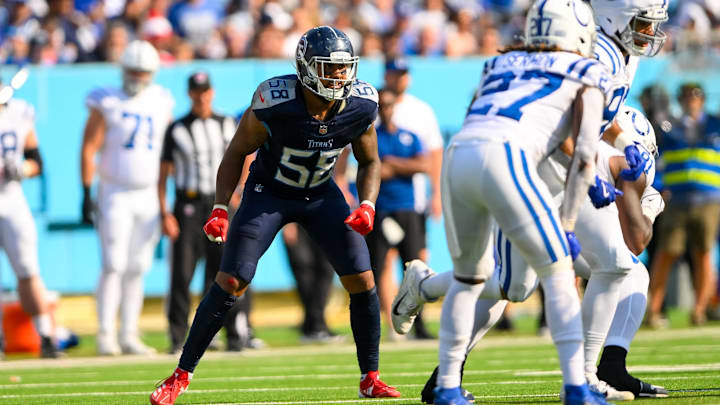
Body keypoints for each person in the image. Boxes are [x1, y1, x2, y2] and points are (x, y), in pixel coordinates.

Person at [149, 26, 400, 405]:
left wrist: (367, 204)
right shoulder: (276, 101)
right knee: (232, 279)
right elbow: (235, 152)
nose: (338, 76)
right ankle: (180, 374)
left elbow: (371, 162)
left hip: (320, 194)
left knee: (362, 278)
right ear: (305, 68)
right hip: (270, 193)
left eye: (343, 68)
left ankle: (370, 377)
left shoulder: (361, 104)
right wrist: (220, 207)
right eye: (328, 68)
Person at [412, 1, 614, 403]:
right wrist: (569, 223)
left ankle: (447, 387)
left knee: (469, 279)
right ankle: (576, 386)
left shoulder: (498, 64)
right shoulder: (587, 70)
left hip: (459, 155)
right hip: (506, 155)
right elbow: (587, 152)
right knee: (557, 270)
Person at [397, 106, 666, 403]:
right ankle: (426, 289)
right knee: (512, 286)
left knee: (624, 268)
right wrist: (649, 211)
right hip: (526, 195)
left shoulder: (587, 139)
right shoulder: (616, 158)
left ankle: (606, 368)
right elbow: (637, 241)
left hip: (521, 187)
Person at [81, 40, 174, 356]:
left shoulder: (161, 100)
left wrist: (165, 197)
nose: (137, 77)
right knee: (113, 263)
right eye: (132, 70)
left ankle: (128, 333)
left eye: (143, 72)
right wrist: (85, 190)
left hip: (148, 193)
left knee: (138, 266)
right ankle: (105, 332)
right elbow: (89, 147)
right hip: (114, 191)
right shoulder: (106, 99)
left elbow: (168, 152)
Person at [159, 71, 250, 354]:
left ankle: (234, 334)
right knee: (182, 273)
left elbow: (246, 153)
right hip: (188, 205)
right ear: (190, 94)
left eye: (205, 91)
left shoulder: (226, 123)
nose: (202, 96)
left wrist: (240, 190)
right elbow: (163, 173)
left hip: (220, 203)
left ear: (212, 92)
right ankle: (177, 338)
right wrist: (164, 212)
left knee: (227, 271)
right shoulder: (176, 128)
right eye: (196, 91)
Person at [648, 83, 720, 327]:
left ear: (702, 99)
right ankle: (652, 310)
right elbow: (657, 156)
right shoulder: (671, 127)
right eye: (686, 96)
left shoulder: (714, 124)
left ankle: (699, 309)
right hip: (677, 200)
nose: (690, 100)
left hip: (708, 200)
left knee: (703, 253)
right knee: (666, 252)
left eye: (695, 95)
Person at [382, 57, 443, 339]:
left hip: (412, 199)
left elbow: (432, 155)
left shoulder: (421, 111)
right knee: (384, 261)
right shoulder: (373, 107)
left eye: (404, 73)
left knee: (417, 260)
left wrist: (436, 194)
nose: (400, 78)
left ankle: (417, 321)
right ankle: (391, 325)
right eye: (396, 73)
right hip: (381, 202)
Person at [0, 84, 62, 359]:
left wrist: (23, 169)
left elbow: (36, 160)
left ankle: (46, 336)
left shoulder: (20, 112)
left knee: (28, 270)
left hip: (12, 198)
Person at [366, 87, 428, 339]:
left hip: (408, 209)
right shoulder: (372, 136)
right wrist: (390, 167)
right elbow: (371, 167)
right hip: (382, 209)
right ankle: (389, 324)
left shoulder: (408, 136)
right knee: (380, 267)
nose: (387, 110)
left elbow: (422, 164)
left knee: (415, 266)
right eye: (383, 105)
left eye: (390, 105)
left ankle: (419, 323)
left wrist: (393, 164)